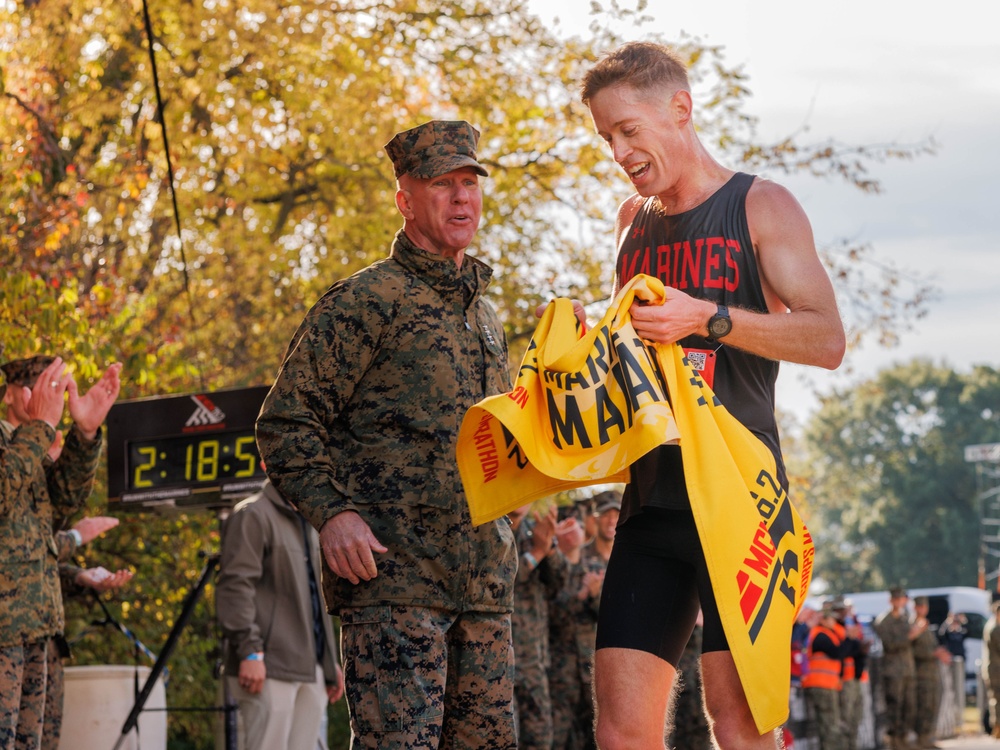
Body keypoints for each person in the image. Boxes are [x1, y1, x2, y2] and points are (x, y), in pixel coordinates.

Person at [579, 41, 846, 749]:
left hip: (740, 506)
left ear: (681, 109)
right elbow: (627, 363)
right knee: (620, 733)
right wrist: (589, 343)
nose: (619, 151)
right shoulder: (628, 221)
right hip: (651, 502)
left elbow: (827, 341)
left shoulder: (762, 205)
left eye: (629, 130)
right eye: (607, 137)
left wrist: (709, 318)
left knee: (740, 727)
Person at [256, 120, 518, 749]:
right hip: (394, 585)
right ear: (405, 200)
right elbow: (286, 423)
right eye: (441, 185)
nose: (461, 199)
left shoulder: (484, 317)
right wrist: (333, 515)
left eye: (469, 183)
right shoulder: (364, 302)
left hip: (483, 587)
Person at [0, 353, 121, 748]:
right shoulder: (24, 439)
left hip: (36, 623)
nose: (45, 396)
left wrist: (85, 435)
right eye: (35, 387)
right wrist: (40, 427)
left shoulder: (19, 441)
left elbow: (62, 504)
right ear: (10, 394)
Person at [216, 478, 344, 750]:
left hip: (312, 669)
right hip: (268, 666)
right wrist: (250, 651)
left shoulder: (311, 520)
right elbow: (235, 588)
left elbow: (313, 597)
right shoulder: (252, 514)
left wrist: (328, 661)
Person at [548, 491, 617, 749]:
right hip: (564, 666)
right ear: (594, 519)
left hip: (603, 670)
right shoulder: (577, 556)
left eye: (616, 515)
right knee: (561, 740)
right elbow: (556, 606)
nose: (611, 521)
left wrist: (597, 595)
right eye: (605, 515)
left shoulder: (625, 563)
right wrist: (585, 594)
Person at [508, 502, 570, 749]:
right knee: (506, 737)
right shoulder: (490, 530)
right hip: (498, 658)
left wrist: (550, 550)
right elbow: (498, 583)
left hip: (534, 659)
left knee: (540, 737)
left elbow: (559, 583)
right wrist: (536, 554)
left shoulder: (537, 531)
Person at [874, 588, 918, 750]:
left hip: (907, 669)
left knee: (909, 706)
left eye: (902, 599)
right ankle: (894, 741)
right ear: (891, 600)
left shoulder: (905, 618)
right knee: (895, 706)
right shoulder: (884, 621)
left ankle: (904, 738)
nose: (900, 602)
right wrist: (909, 636)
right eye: (897, 599)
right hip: (893, 671)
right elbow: (890, 645)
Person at [802, 602, 846, 750]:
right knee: (830, 726)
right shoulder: (821, 635)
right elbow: (838, 652)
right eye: (831, 619)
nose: (834, 622)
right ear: (823, 620)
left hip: (823, 685)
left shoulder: (821, 633)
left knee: (827, 725)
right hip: (822, 686)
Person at [831, 598, 869, 750]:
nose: (843, 612)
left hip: (854, 677)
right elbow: (841, 652)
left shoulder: (848, 625)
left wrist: (861, 647)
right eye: (839, 610)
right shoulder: (836, 629)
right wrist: (852, 640)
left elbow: (854, 651)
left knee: (855, 718)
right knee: (845, 720)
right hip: (844, 680)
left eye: (844, 609)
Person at [911, 596, 947, 749]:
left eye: (924, 606)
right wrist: (933, 653)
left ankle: (929, 737)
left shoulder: (925, 624)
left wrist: (938, 651)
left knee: (933, 705)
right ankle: (922, 738)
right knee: (924, 706)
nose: (922, 609)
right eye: (919, 606)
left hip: (932, 673)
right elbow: (913, 650)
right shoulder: (912, 626)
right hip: (922, 674)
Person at [982, 601, 1000, 739]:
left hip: (994, 669)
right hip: (995, 670)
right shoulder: (995, 628)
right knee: (997, 699)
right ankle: (997, 727)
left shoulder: (992, 625)